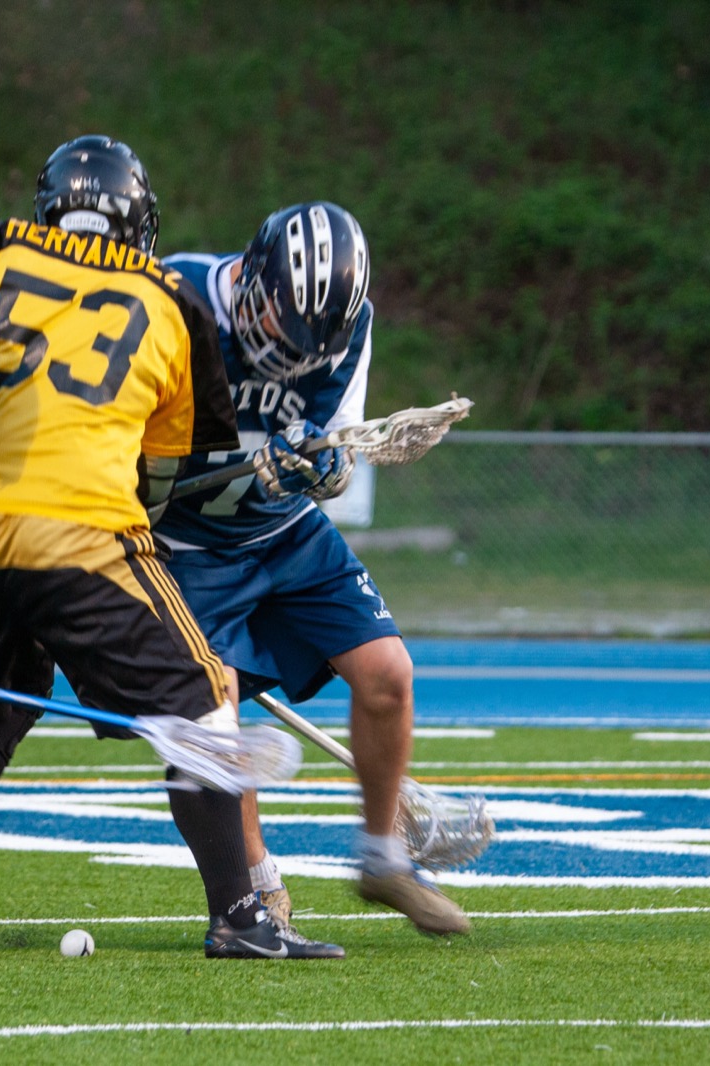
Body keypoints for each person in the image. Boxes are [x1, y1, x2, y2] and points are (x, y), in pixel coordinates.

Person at [0, 135, 343, 960]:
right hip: (81, 535)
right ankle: (242, 915)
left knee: (5, 681)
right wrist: (268, 468)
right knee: (203, 690)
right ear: (140, 222)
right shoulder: (173, 299)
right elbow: (168, 475)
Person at [157, 202, 471, 938]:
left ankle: (383, 857)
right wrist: (236, 459)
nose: (295, 357)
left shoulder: (347, 324)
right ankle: (257, 881)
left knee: (389, 674)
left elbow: (329, 459)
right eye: (280, 329)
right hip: (185, 543)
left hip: (285, 532)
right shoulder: (173, 303)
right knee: (216, 706)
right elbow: (120, 453)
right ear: (252, 278)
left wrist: (319, 466)